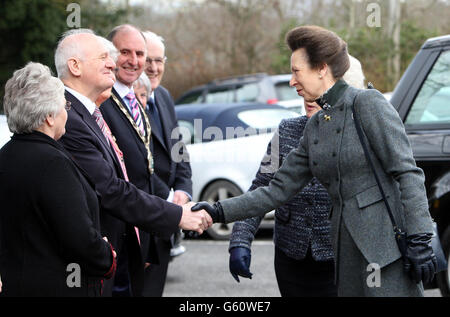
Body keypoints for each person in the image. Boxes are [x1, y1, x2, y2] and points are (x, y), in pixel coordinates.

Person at [193, 25, 437, 297]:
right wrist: (216, 211)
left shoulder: (367, 103)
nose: (291, 81)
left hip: (385, 250)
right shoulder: (316, 126)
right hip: (344, 256)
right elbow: (276, 189)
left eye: (296, 72)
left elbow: (407, 172)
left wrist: (420, 237)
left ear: (321, 68)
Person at [56, 29, 211, 297]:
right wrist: (175, 213)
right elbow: (111, 188)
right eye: (106, 56)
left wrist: (179, 198)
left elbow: (162, 157)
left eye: (141, 54)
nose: (112, 63)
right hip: (103, 248)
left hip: (138, 233)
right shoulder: (69, 116)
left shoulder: (96, 107)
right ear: (75, 66)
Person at [228, 56, 366, 297]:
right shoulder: (287, 130)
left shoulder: (361, 134)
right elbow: (262, 185)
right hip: (291, 257)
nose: (308, 99)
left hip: (340, 260)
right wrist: (241, 238)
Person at [0, 62, 116, 296]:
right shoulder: (53, 164)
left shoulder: (6, 155)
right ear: (50, 117)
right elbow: (79, 238)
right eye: (66, 105)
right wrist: (106, 255)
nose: (67, 112)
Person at [138, 30, 194, 297]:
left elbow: (178, 149)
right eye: (148, 59)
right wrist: (170, 197)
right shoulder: (121, 101)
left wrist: (183, 189)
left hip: (165, 223)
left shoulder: (164, 97)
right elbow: (135, 162)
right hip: (141, 218)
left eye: (159, 60)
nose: (154, 67)